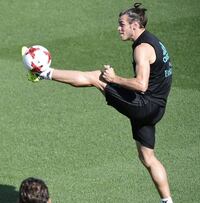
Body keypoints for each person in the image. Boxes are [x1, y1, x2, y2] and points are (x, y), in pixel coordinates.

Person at [24, 3, 173, 203]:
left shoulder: (142, 48)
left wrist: (114, 78)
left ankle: (42, 72)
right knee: (148, 157)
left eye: (122, 24)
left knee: (96, 77)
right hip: (157, 107)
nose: (118, 28)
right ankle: (167, 201)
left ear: (135, 25)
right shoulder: (154, 42)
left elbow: (141, 84)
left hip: (144, 105)